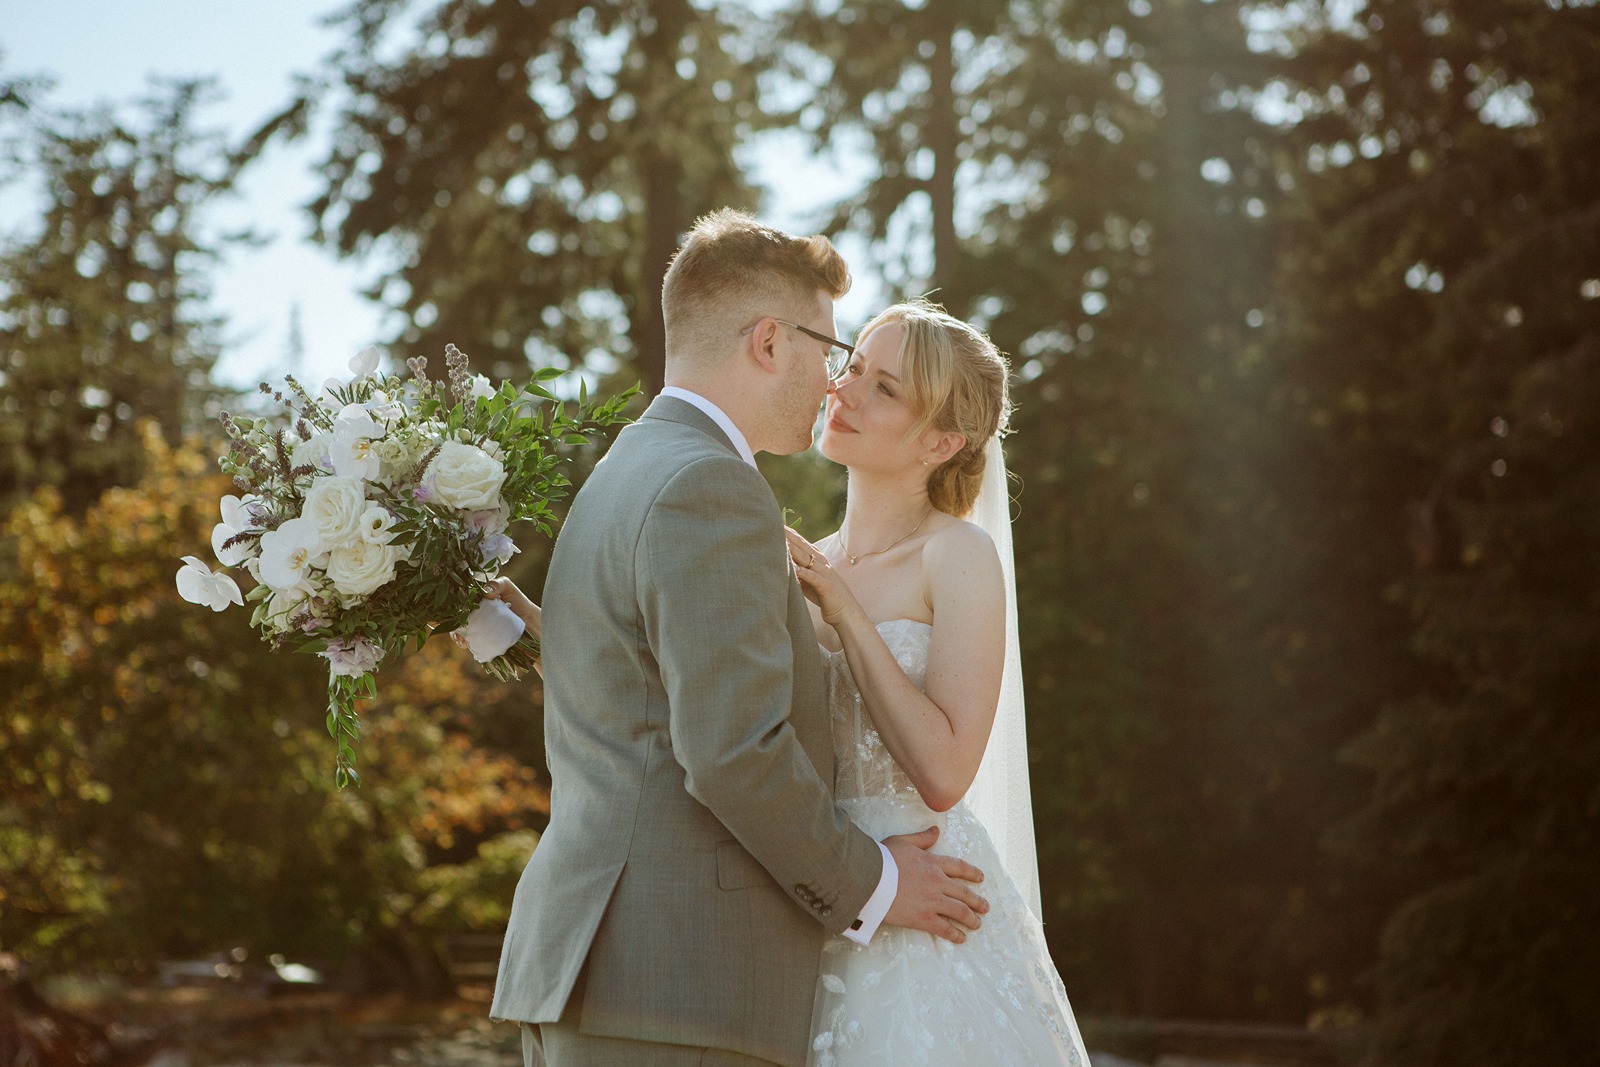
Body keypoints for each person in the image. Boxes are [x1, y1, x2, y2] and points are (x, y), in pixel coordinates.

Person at [486, 211, 990, 1067]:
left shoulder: (624, 469)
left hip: (613, 978)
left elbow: (632, 685)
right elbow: (730, 749)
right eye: (834, 353)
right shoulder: (711, 485)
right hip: (677, 988)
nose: (835, 383)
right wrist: (878, 883)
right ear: (768, 342)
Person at [782, 300, 1091, 1066]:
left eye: (884, 388)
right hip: (813, 903)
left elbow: (948, 771)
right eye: (852, 366)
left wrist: (848, 614)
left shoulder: (957, 556)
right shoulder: (799, 562)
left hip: (930, 921)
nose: (844, 391)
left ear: (942, 441)